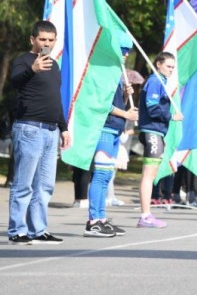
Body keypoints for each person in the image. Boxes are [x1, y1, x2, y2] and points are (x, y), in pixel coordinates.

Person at [8, 20, 72, 244]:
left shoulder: (54, 65)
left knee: (44, 185)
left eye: (51, 40)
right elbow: (14, 82)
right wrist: (32, 70)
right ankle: (17, 230)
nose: (46, 43)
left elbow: (56, 99)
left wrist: (63, 128)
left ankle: (38, 229)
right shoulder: (23, 61)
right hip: (29, 128)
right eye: (42, 39)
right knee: (23, 184)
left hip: (50, 131)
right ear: (32, 40)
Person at [84, 34, 138, 237]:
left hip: (115, 129)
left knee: (107, 175)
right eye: (122, 50)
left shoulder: (116, 73)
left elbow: (114, 103)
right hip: (104, 129)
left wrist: (124, 95)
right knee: (100, 175)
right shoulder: (102, 72)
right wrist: (126, 113)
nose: (125, 54)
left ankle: (101, 217)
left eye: (127, 51)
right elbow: (99, 103)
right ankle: (93, 220)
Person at [137, 52, 183, 228]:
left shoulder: (161, 82)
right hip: (152, 131)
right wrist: (172, 116)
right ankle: (145, 215)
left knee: (151, 174)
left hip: (156, 132)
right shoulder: (155, 81)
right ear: (158, 64)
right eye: (168, 66)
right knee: (148, 174)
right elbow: (153, 108)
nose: (171, 69)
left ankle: (146, 214)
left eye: (173, 67)